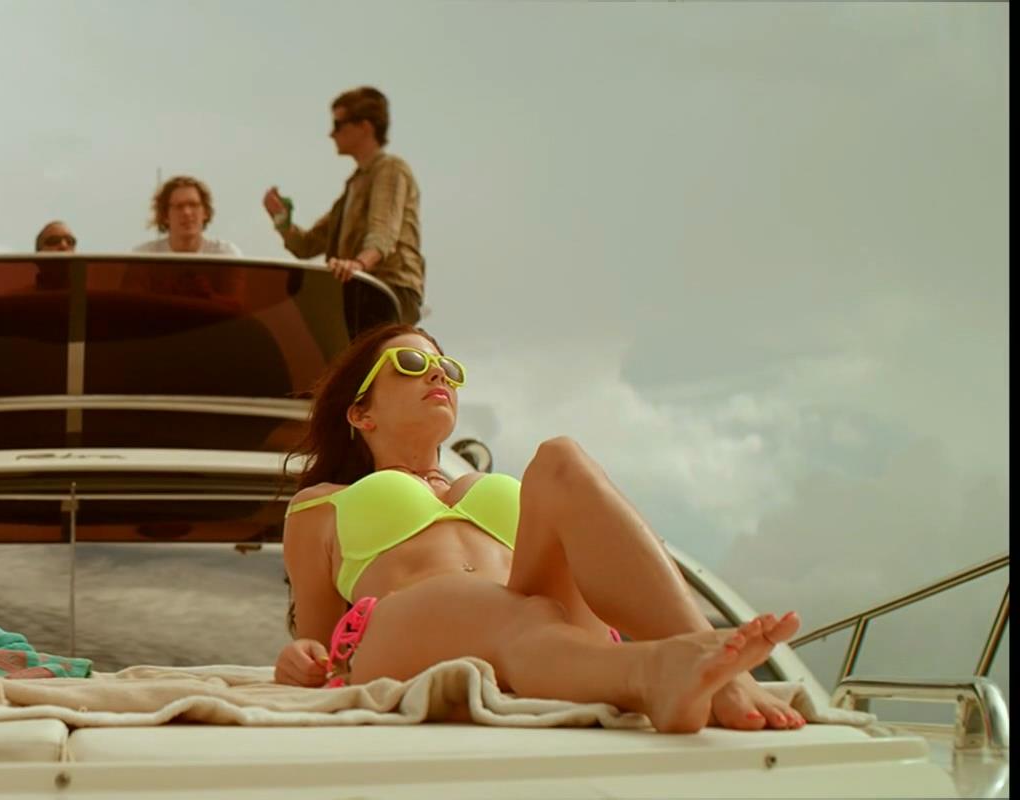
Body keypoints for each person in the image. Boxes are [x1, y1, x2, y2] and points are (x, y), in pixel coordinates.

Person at [274, 322, 808, 734]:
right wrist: (299, 659)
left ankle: (713, 666)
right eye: (411, 363)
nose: (438, 375)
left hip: (542, 623)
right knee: (508, 609)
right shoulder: (322, 504)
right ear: (361, 413)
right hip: (403, 639)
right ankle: (648, 674)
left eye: (447, 368)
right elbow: (318, 646)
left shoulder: (486, 484)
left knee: (560, 458)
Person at [263, 87, 425, 326]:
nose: (331, 134)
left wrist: (359, 264)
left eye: (338, 124)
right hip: (361, 288)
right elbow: (307, 246)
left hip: (388, 289)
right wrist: (281, 220)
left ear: (365, 127)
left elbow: (383, 231)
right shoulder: (354, 184)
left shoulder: (390, 168)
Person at [134, 175, 242, 255]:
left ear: (205, 212)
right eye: (179, 206)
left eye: (193, 205)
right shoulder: (145, 256)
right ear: (165, 215)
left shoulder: (225, 255)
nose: (187, 212)